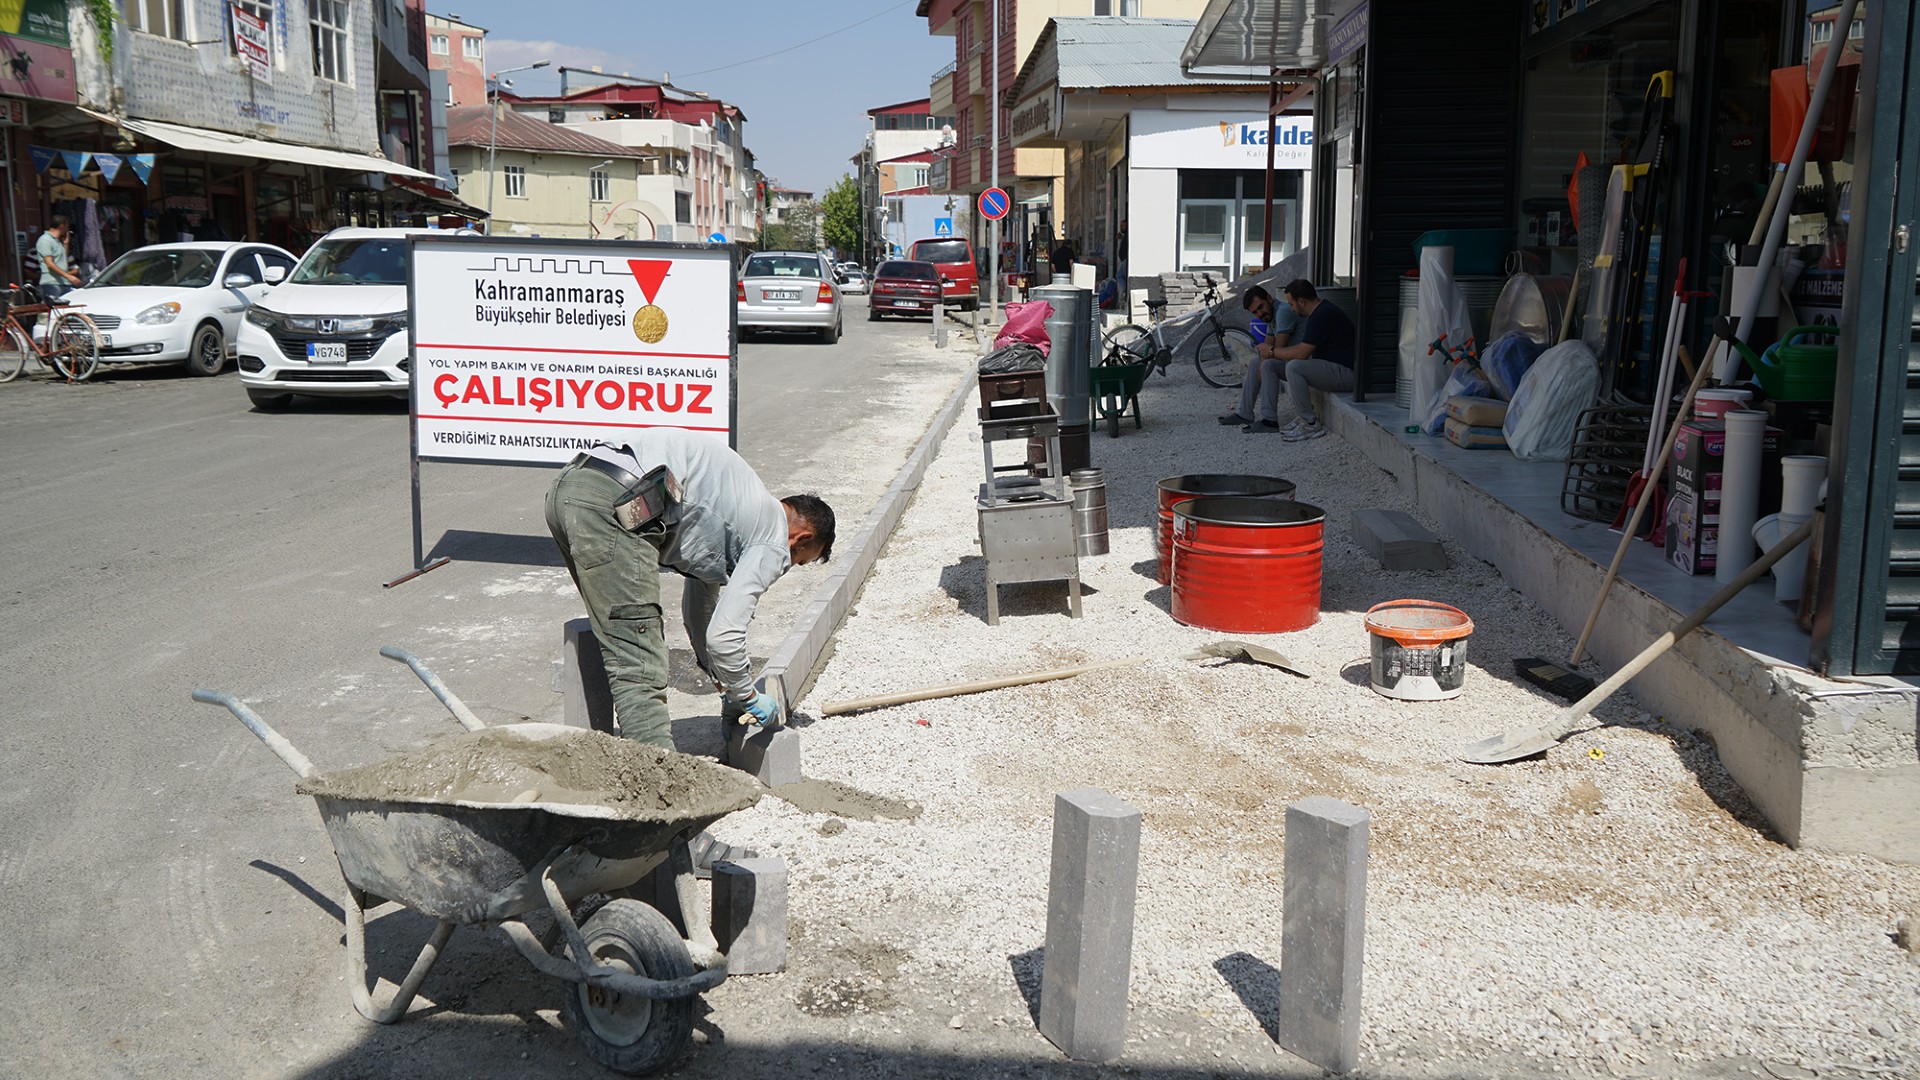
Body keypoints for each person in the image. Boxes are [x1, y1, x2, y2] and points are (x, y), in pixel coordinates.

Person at [544, 428, 837, 750]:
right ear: (801, 538)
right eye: (799, 560)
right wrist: (748, 696)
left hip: (572, 487)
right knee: (639, 658)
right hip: (616, 501)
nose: (787, 565)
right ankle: (661, 786)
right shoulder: (773, 539)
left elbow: (702, 615)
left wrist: (727, 686)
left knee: (617, 634)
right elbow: (724, 637)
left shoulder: (740, 511)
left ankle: (600, 757)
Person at [1265, 278, 1357, 441]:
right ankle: (1295, 418)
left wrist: (1272, 351)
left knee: (1294, 367)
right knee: (1272, 365)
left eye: (1292, 304)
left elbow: (1302, 353)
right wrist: (1274, 355)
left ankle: (1310, 424)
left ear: (1301, 301)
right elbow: (1303, 348)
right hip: (1334, 368)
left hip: (1347, 373)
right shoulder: (1319, 312)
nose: (1291, 309)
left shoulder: (1322, 314)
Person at [1216, 284, 1300, 430]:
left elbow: (1276, 351)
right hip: (1292, 363)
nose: (1260, 314)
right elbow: (1266, 349)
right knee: (1257, 362)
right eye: (1255, 312)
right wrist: (1261, 365)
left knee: (1268, 364)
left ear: (1269, 298)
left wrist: (1264, 364)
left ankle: (1270, 420)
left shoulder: (1283, 312)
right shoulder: (1271, 316)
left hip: (1302, 363)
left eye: (1261, 307)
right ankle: (1245, 413)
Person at [36, 215, 82, 301]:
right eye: (67, 227)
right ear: (62, 226)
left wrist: (65, 244)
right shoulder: (45, 240)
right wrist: (69, 276)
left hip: (63, 283)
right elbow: (49, 263)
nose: (67, 230)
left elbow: (62, 258)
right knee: (56, 310)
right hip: (52, 283)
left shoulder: (57, 241)